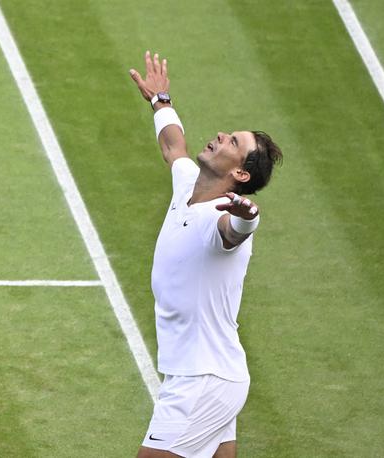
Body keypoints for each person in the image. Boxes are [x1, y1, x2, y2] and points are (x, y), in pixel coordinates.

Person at [128, 51, 283, 458]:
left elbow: (234, 233)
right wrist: (160, 100)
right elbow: (172, 145)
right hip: (211, 375)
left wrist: (248, 215)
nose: (220, 136)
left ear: (241, 175)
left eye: (233, 142)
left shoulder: (221, 216)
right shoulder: (187, 184)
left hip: (202, 380)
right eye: (228, 133)